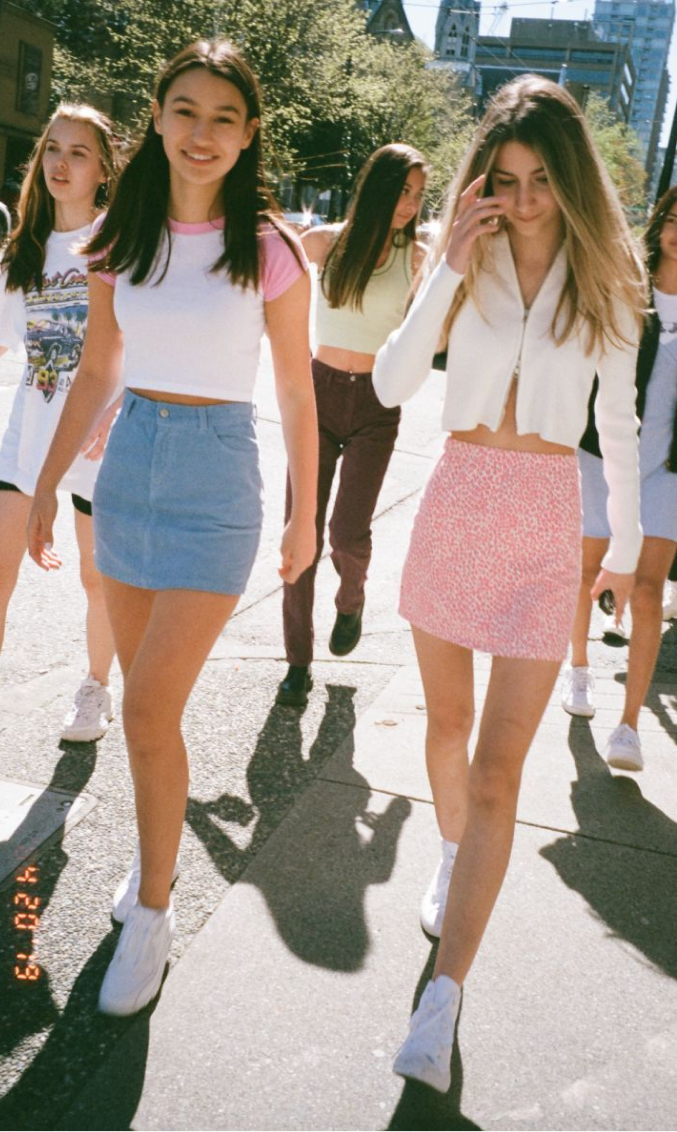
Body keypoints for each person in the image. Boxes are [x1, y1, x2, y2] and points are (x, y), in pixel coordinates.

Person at [27, 40, 317, 1017]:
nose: (203, 132)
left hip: (218, 480)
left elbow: (294, 389)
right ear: (156, 118)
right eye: (185, 110)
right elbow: (98, 368)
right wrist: (44, 481)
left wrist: (303, 509)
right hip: (131, 469)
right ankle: (155, 865)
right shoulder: (119, 237)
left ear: (247, 135)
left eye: (224, 117)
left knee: (147, 711)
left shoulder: (271, 249)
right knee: (151, 716)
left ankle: (152, 909)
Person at [372, 75, 645, 1092]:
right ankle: (451, 855)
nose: (525, 200)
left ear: (569, 181)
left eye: (542, 181)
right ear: (484, 181)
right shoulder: (466, 259)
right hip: (457, 501)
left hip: (543, 519)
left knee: (498, 772)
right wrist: (445, 268)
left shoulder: (608, 281)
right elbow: (395, 383)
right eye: (508, 180)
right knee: (444, 735)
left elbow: (615, 423)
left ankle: (441, 1000)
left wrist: (616, 541)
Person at [0, 104, 122, 784]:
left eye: (79, 153)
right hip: (31, 435)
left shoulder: (117, 241)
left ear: (103, 170)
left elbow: (145, 345)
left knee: (97, 578)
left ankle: (96, 687)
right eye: (52, 150)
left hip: (98, 441)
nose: (61, 164)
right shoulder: (28, 243)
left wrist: (113, 412)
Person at [276, 144, 427, 708]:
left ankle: (351, 598)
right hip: (315, 395)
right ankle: (297, 662)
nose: (410, 204)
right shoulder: (323, 242)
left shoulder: (418, 258)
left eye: (418, 194)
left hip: (376, 404)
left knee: (345, 532)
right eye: (402, 190)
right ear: (378, 188)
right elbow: (262, 259)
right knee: (302, 533)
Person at [561, 185, 677, 770]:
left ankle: (628, 726)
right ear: (659, 225)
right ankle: (578, 669)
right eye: (675, 220)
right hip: (601, 455)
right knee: (588, 570)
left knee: (651, 591)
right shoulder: (629, 288)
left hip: (667, 469)